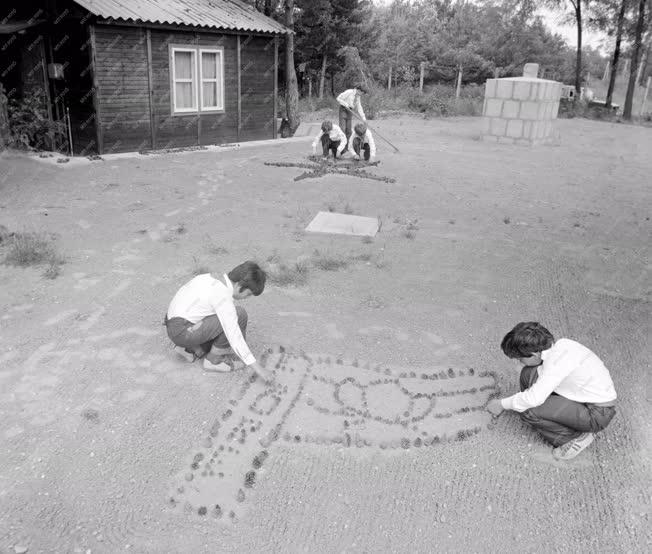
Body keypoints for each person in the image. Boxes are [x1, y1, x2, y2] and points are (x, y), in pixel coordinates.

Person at [487, 322, 616, 461]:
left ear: (535, 354)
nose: (519, 362)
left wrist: (501, 404)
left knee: (529, 410)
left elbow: (533, 400)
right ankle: (549, 411)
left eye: (520, 359)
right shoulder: (560, 346)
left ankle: (573, 438)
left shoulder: (555, 363)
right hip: (583, 399)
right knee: (527, 374)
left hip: (596, 414)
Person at [164, 261, 272, 381]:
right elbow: (234, 336)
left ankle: (191, 349)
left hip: (174, 324)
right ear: (239, 287)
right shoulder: (223, 297)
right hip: (183, 331)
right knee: (239, 314)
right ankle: (213, 360)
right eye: (248, 294)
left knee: (218, 314)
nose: (246, 298)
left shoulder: (210, 277)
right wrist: (259, 369)